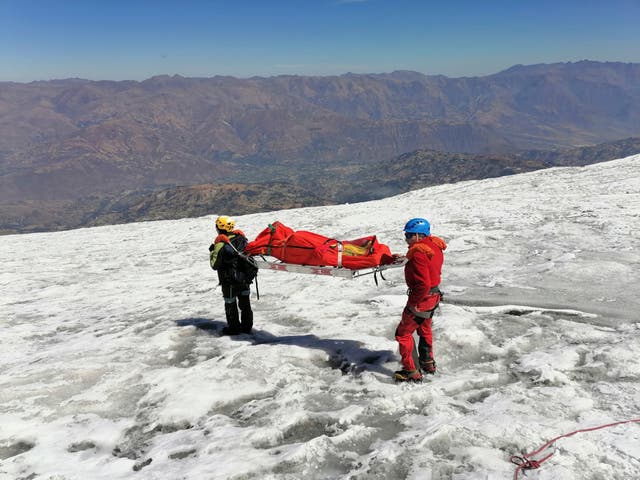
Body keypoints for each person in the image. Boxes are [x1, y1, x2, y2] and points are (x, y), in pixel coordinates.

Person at [394, 217, 447, 382]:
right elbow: (428, 264)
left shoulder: (418, 253)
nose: (407, 239)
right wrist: (406, 257)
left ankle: (411, 371)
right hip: (434, 296)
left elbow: (423, 284)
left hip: (422, 299)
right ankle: (427, 362)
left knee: (403, 333)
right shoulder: (434, 246)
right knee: (424, 329)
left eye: (409, 235)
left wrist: (413, 304)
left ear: (418, 235)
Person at [209, 215, 254, 335]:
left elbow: (214, 265)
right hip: (244, 278)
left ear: (219, 227)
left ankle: (234, 329)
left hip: (229, 281)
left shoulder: (220, 244)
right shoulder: (242, 239)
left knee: (230, 304)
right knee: (245, 303)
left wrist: (212, 251)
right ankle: (247, 327)